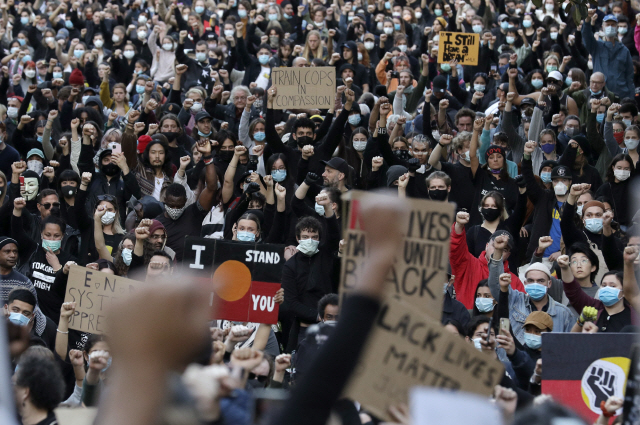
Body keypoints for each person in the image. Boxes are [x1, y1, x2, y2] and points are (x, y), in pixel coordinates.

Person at [488, 234, 575, 345]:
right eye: (531, 280)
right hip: (513, 360)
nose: (535, 284)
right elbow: (496, 285)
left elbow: (571, 346)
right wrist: (498, 250)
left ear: (549, 284)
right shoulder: (515, 300)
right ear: (525, 283)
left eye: (540, 281)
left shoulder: (563, 313)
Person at [450, 211, 525, 309]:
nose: (499, 249)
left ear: (508, 255)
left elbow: (521, 309)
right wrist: (459, 226)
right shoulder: (468, 264)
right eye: (495, 245)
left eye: (504, 249)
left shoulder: (514, 281)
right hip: (466, 321)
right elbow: (456, 249)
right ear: (486, 246)